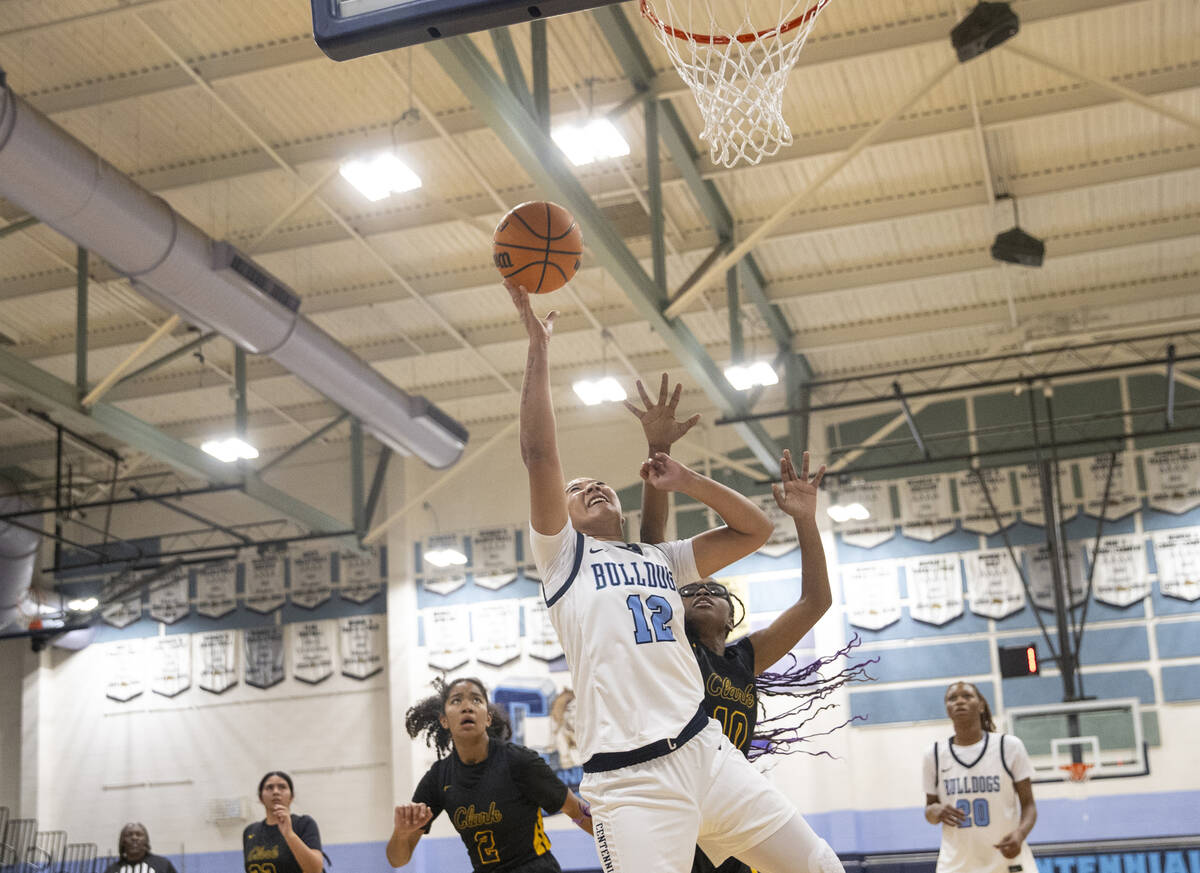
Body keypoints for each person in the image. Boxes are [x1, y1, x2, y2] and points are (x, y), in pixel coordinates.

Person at [508, 279, 844, 873]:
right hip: (631, 779)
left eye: (599, 482)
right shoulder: (564, 560)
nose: (591, 487)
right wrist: (539, 346)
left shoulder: (658, 561)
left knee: (820, 867)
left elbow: (754, 530)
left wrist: (685, 480)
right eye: (576, 489)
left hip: (706, 751)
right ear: (557, 519)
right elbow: (538, 454)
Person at [627, 378, 850, 873]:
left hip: (731, 793)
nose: (702, 590)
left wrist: (806, 520)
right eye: (689, 591)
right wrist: (658, 452)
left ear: (733, 616)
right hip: (675, 792)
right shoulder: (673, 650)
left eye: (715, 591)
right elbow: (650, 544)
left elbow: (817, 601)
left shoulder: (746, 658)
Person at [386, 677, 592, 872]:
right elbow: (398, 859)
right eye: (456, 700)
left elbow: (577, 811)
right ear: (444, 720)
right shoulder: (438, 778)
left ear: (488, 718)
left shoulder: (518, 761)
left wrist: (617, 847)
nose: (467, 706)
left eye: (476, 699)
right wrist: (401, 833)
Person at [924, 682, 1039, 873]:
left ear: (981, 705)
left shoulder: (1008, 747)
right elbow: (930, 810)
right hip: (956, 865)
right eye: (952, 698)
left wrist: (1020, 834)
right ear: (947, 709)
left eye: (967, 696)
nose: (959, 701)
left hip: (1007, 861)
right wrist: (936, 811)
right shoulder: (934, 754)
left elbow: (1029, 805)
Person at [243, 771, 323, 873]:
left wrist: (289, 834)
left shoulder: (304, 823)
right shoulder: (250, 831)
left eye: (282, 787)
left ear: (291, 797)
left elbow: (315, 870)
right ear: (260, 798)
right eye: (269, 787)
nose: (276, 792)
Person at [103, 823, 179, 873]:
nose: (134, 838)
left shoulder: (162, 865)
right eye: (129, 835)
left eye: (139, 834)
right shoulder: (113, 870)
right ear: (123, 842)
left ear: (146, 841)